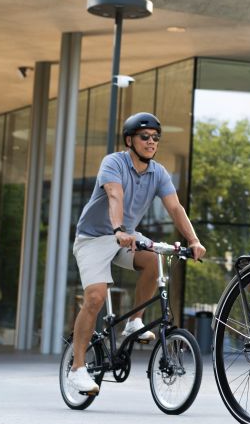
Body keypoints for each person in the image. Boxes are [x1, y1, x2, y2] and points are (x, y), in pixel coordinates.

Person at [66, 112, 207, 394]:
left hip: (127, 237)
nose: (151, 141)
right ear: (130, 140)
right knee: (94, 298)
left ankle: (133, 323)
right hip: (95, 237)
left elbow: (175, 208)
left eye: (156, 137)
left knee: (156, 259)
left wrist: (193, 239)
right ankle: (77, 368)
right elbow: (115, 195)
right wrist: (118, 228)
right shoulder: (113, 162)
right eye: (145, 137)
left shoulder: (158, 173)